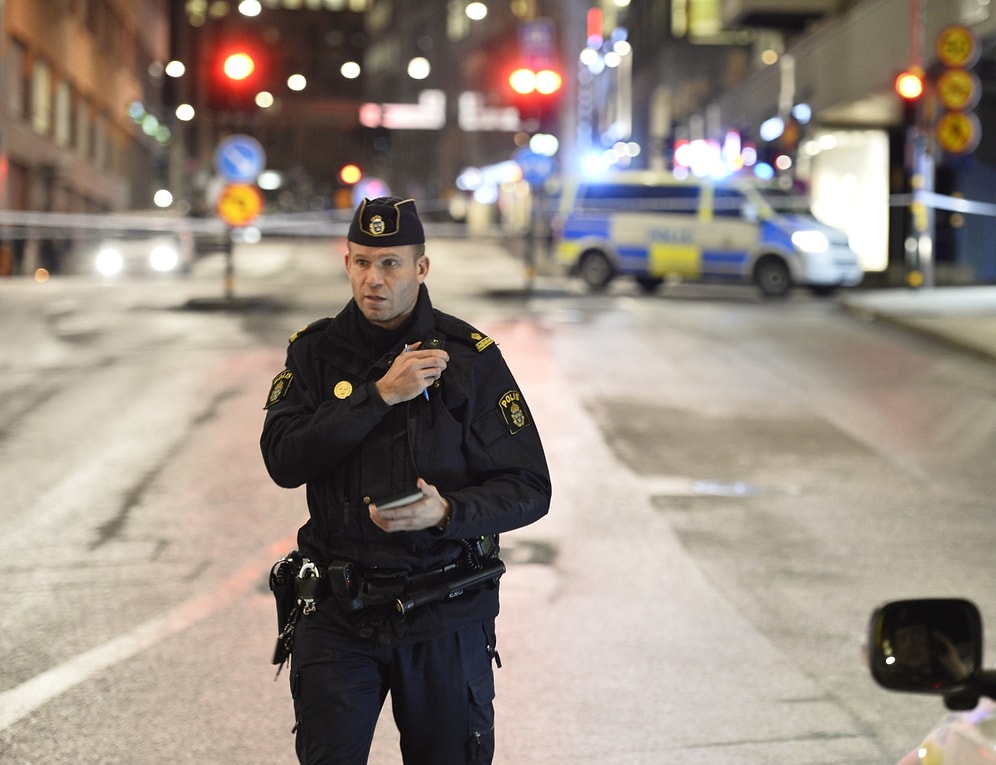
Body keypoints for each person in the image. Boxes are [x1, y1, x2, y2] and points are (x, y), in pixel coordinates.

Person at [260, 196, 552, 765]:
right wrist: (379, 397)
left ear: (421, 267)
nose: (374, 279)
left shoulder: (468, 358)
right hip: (337, 612)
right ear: (346, 263)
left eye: (391, 262)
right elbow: (283, 461)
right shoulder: (313, 353)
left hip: (443, 609)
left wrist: (446, 513)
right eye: (362, 261)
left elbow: (528, 486)